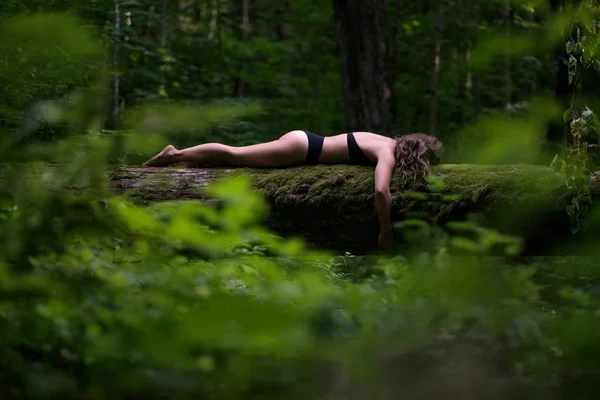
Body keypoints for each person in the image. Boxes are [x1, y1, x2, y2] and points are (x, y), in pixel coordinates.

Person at [143, 130, 443, 248]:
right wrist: (386, 231)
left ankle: (185, 158)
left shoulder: (383, 141)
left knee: (236, 157)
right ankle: (176, 155)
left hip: (306, 144)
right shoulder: (387, 153)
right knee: (235, 154)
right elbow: (380, 192)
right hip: (303, 149)